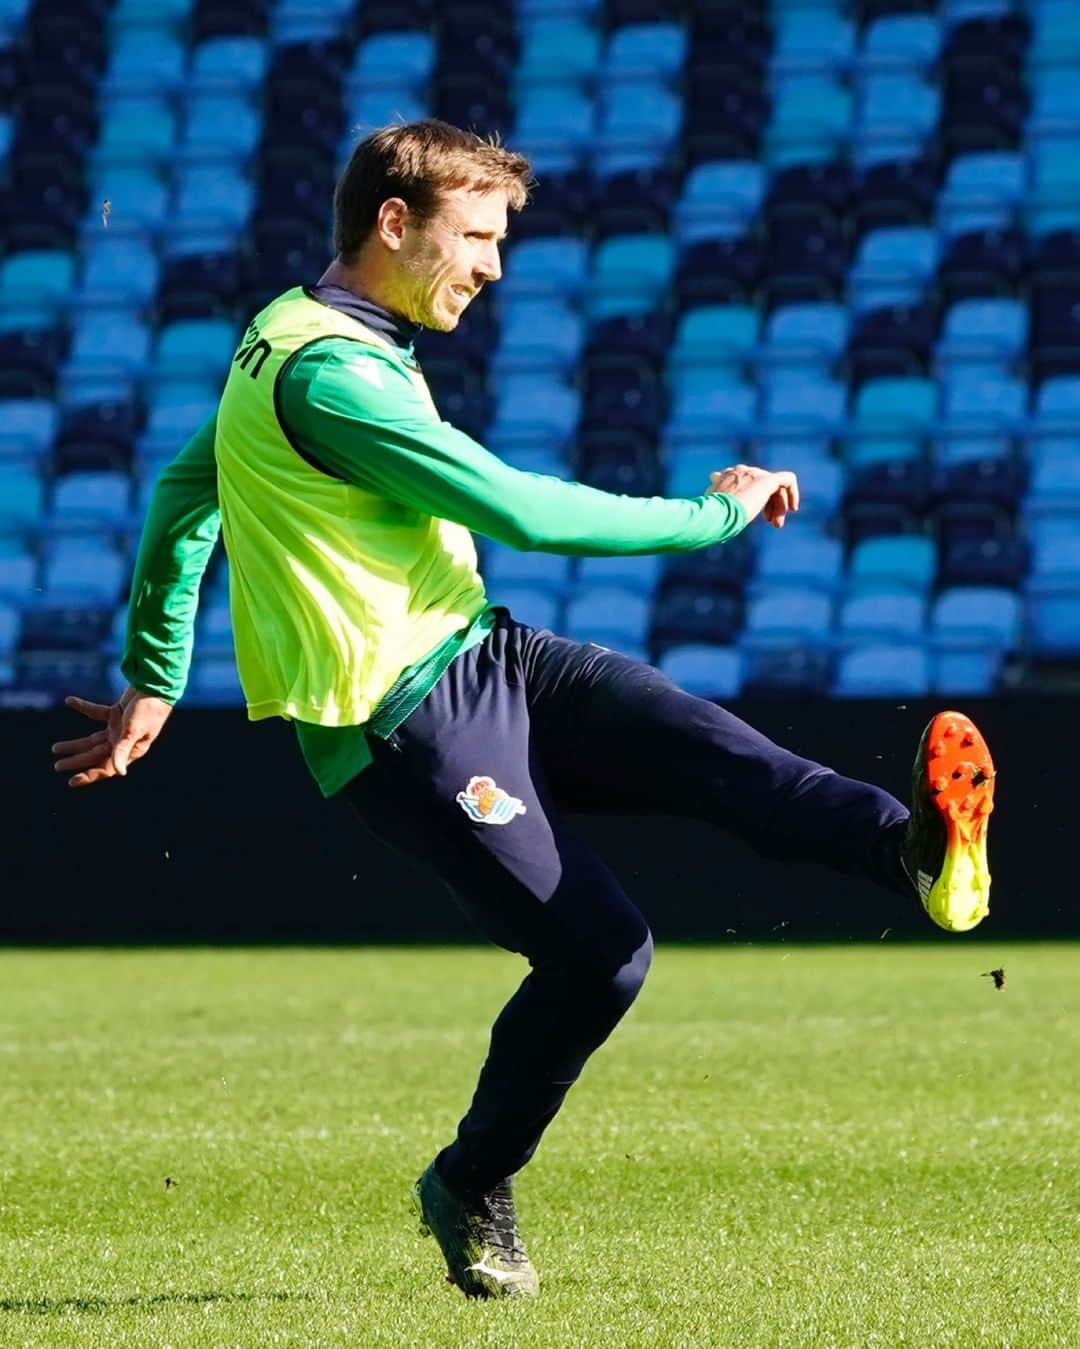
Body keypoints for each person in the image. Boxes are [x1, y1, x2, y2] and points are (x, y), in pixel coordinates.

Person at [50, 120, 996, 1300]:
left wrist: (154, 674)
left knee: (721, 755)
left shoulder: (299, 333)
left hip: (488, 652)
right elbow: (522, 508)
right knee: (603, 952)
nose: (495, 265)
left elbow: (188, 489)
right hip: (401, 724)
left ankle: (913, 852)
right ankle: (469, 1180)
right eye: (479, 235)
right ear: (394, 223)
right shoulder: (331, 376)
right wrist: (715, 514)